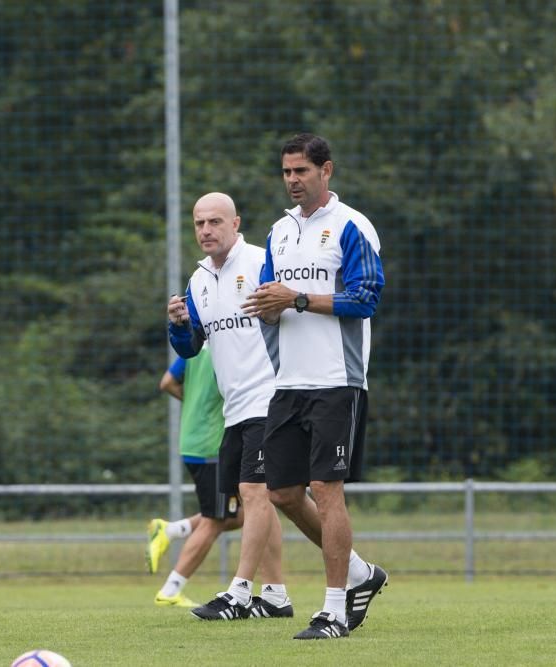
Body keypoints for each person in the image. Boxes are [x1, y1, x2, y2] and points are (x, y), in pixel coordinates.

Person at [241, 133, 387, 640]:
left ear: (327, 171)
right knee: (281, 492)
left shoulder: (352, 226)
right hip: (289, 385)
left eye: (301, 171)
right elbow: (268, 300)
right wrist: (267, 305)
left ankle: (334, 610)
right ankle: (361, 574)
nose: (292, 180)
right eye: (286, 172)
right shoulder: (279, 232)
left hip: (336, 383)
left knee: (326, 489)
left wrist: (297, 298)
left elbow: (366, 298)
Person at [168, 191, 292, 621]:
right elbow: (190, 348)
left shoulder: (261, 262)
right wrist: (179, 326)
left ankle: (239, 592)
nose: (206, 230)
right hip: (234, 407)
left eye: (215, 222)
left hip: (271, 397)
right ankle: (276, 595)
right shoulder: (198, 279)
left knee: (257, 493)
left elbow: (293, 314)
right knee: (255, 496)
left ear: (235, 223)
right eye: (199, 223)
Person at [147, 346, 241, 608]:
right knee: (216, 519)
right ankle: (171, 589)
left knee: (241, 514)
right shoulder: (228, 348)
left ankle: (172, 529)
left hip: (192, 440)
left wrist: (194, 404)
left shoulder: (197, 347)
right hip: (213, 445)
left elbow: (167, 382)